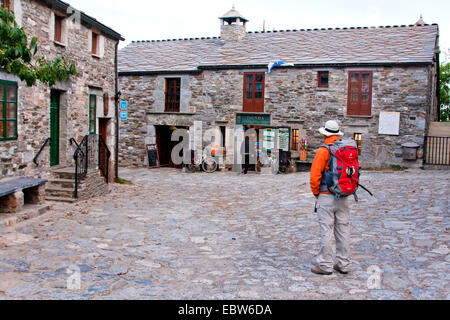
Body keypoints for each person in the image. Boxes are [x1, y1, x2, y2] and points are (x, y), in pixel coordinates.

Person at [310, 120, 351, 275]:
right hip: (344, 195)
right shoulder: (346, 149)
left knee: (326, 230)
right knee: (343, 230)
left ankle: (325, 264)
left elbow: (314, 177)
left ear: (325, 134)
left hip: (326, 196)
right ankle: (343, 264)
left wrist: (317, 194)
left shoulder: (323, 151)